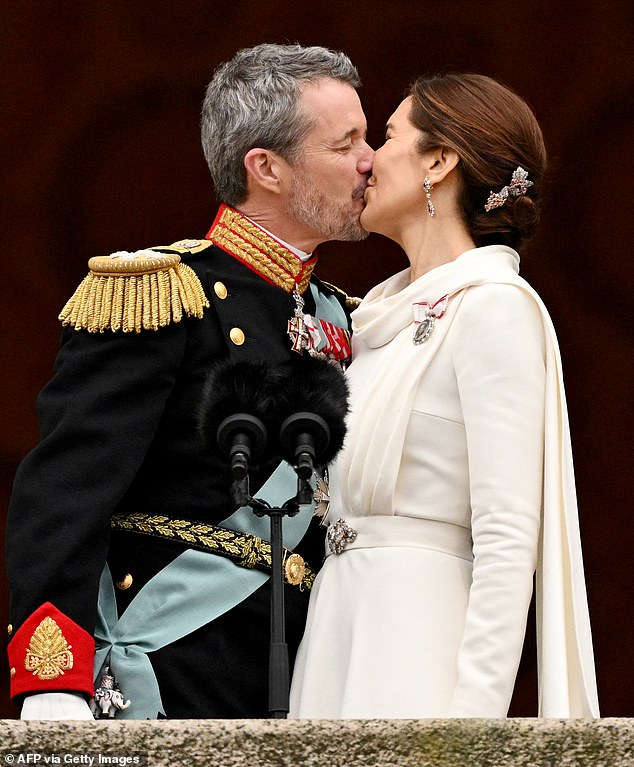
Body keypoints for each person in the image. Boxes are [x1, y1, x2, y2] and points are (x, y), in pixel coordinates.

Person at [6, 43, 373, 720]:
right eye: (345, 142)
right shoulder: (161, 293)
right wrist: (51, 680)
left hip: (309, 679)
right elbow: (63, 491)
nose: (369, 160)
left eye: (368, 137)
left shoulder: (348, 317)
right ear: (265, 167)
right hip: (172, 670)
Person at [289, 72, 600, 718]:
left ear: (439, 160)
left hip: (418, 651)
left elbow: (508, 534)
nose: (368, 158)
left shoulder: (492, 309)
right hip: (335, 637)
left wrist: (473, 727)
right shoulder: (374, 319)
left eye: (390, 135)